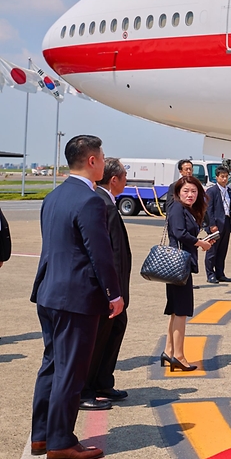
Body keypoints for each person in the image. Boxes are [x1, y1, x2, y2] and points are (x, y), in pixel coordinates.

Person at [30, 135, 123, 459]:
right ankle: (61, 442)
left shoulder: (53, 196)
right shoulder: (91, 200)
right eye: (102, 155)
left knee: (52, 366)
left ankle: (41, 436)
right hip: (76, 298)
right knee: (70, 371)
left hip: (49, 292)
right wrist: (114, 294)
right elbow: (100, 253)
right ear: (93, 161)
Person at [82, 158, 132, 407]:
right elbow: (111, 255)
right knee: (100, 337)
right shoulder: (105, 206)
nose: (126, 181)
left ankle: (103, 381)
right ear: (114, 180)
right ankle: (88, 388)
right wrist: (116, 293)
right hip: (110, 290)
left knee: (114, 332)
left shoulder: (105, 202)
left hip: (113, 288)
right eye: (124, 177)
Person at [162, 176, 211, 372]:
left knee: (175, 311)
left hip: (181, 264)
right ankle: (179, 356)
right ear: (178, 192)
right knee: (181, 311)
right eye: (186, 191)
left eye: (194, 191)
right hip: (178, 264)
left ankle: (169, 350)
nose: (190, 195)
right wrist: (200, 242)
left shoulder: (184, 209)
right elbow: (180, 233)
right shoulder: (176, 208)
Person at [203, 166, 231, 284]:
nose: (224, 179)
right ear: (216, 178)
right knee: (212, 250)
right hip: (215, 223)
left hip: (225, 221)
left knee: (222, 249)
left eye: (226, 176)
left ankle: (220, 273)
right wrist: (211, 224)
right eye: (222, 176)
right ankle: (210, 274)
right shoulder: (212, 191)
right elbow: (208, 209)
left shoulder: (229, 191)